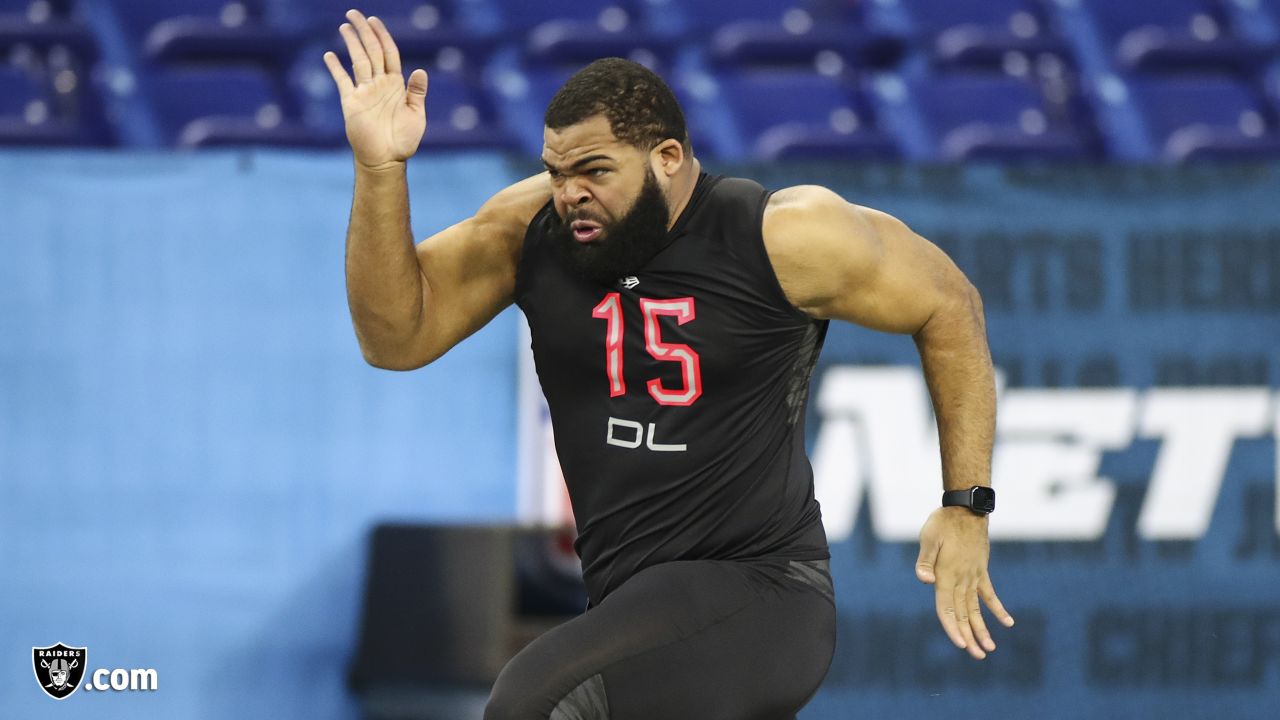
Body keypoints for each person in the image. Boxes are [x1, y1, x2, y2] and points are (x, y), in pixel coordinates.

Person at [324, 9, 1015, 719]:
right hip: (632, 605)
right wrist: (380, 170)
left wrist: (967, 507)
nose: (571, 194)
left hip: (763, 593)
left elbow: (949, 305)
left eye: (595, 171)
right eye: (557, 172)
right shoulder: (530, 231)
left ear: (668, 159)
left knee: (533, 700)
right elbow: (394, 338)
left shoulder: (784, 235)